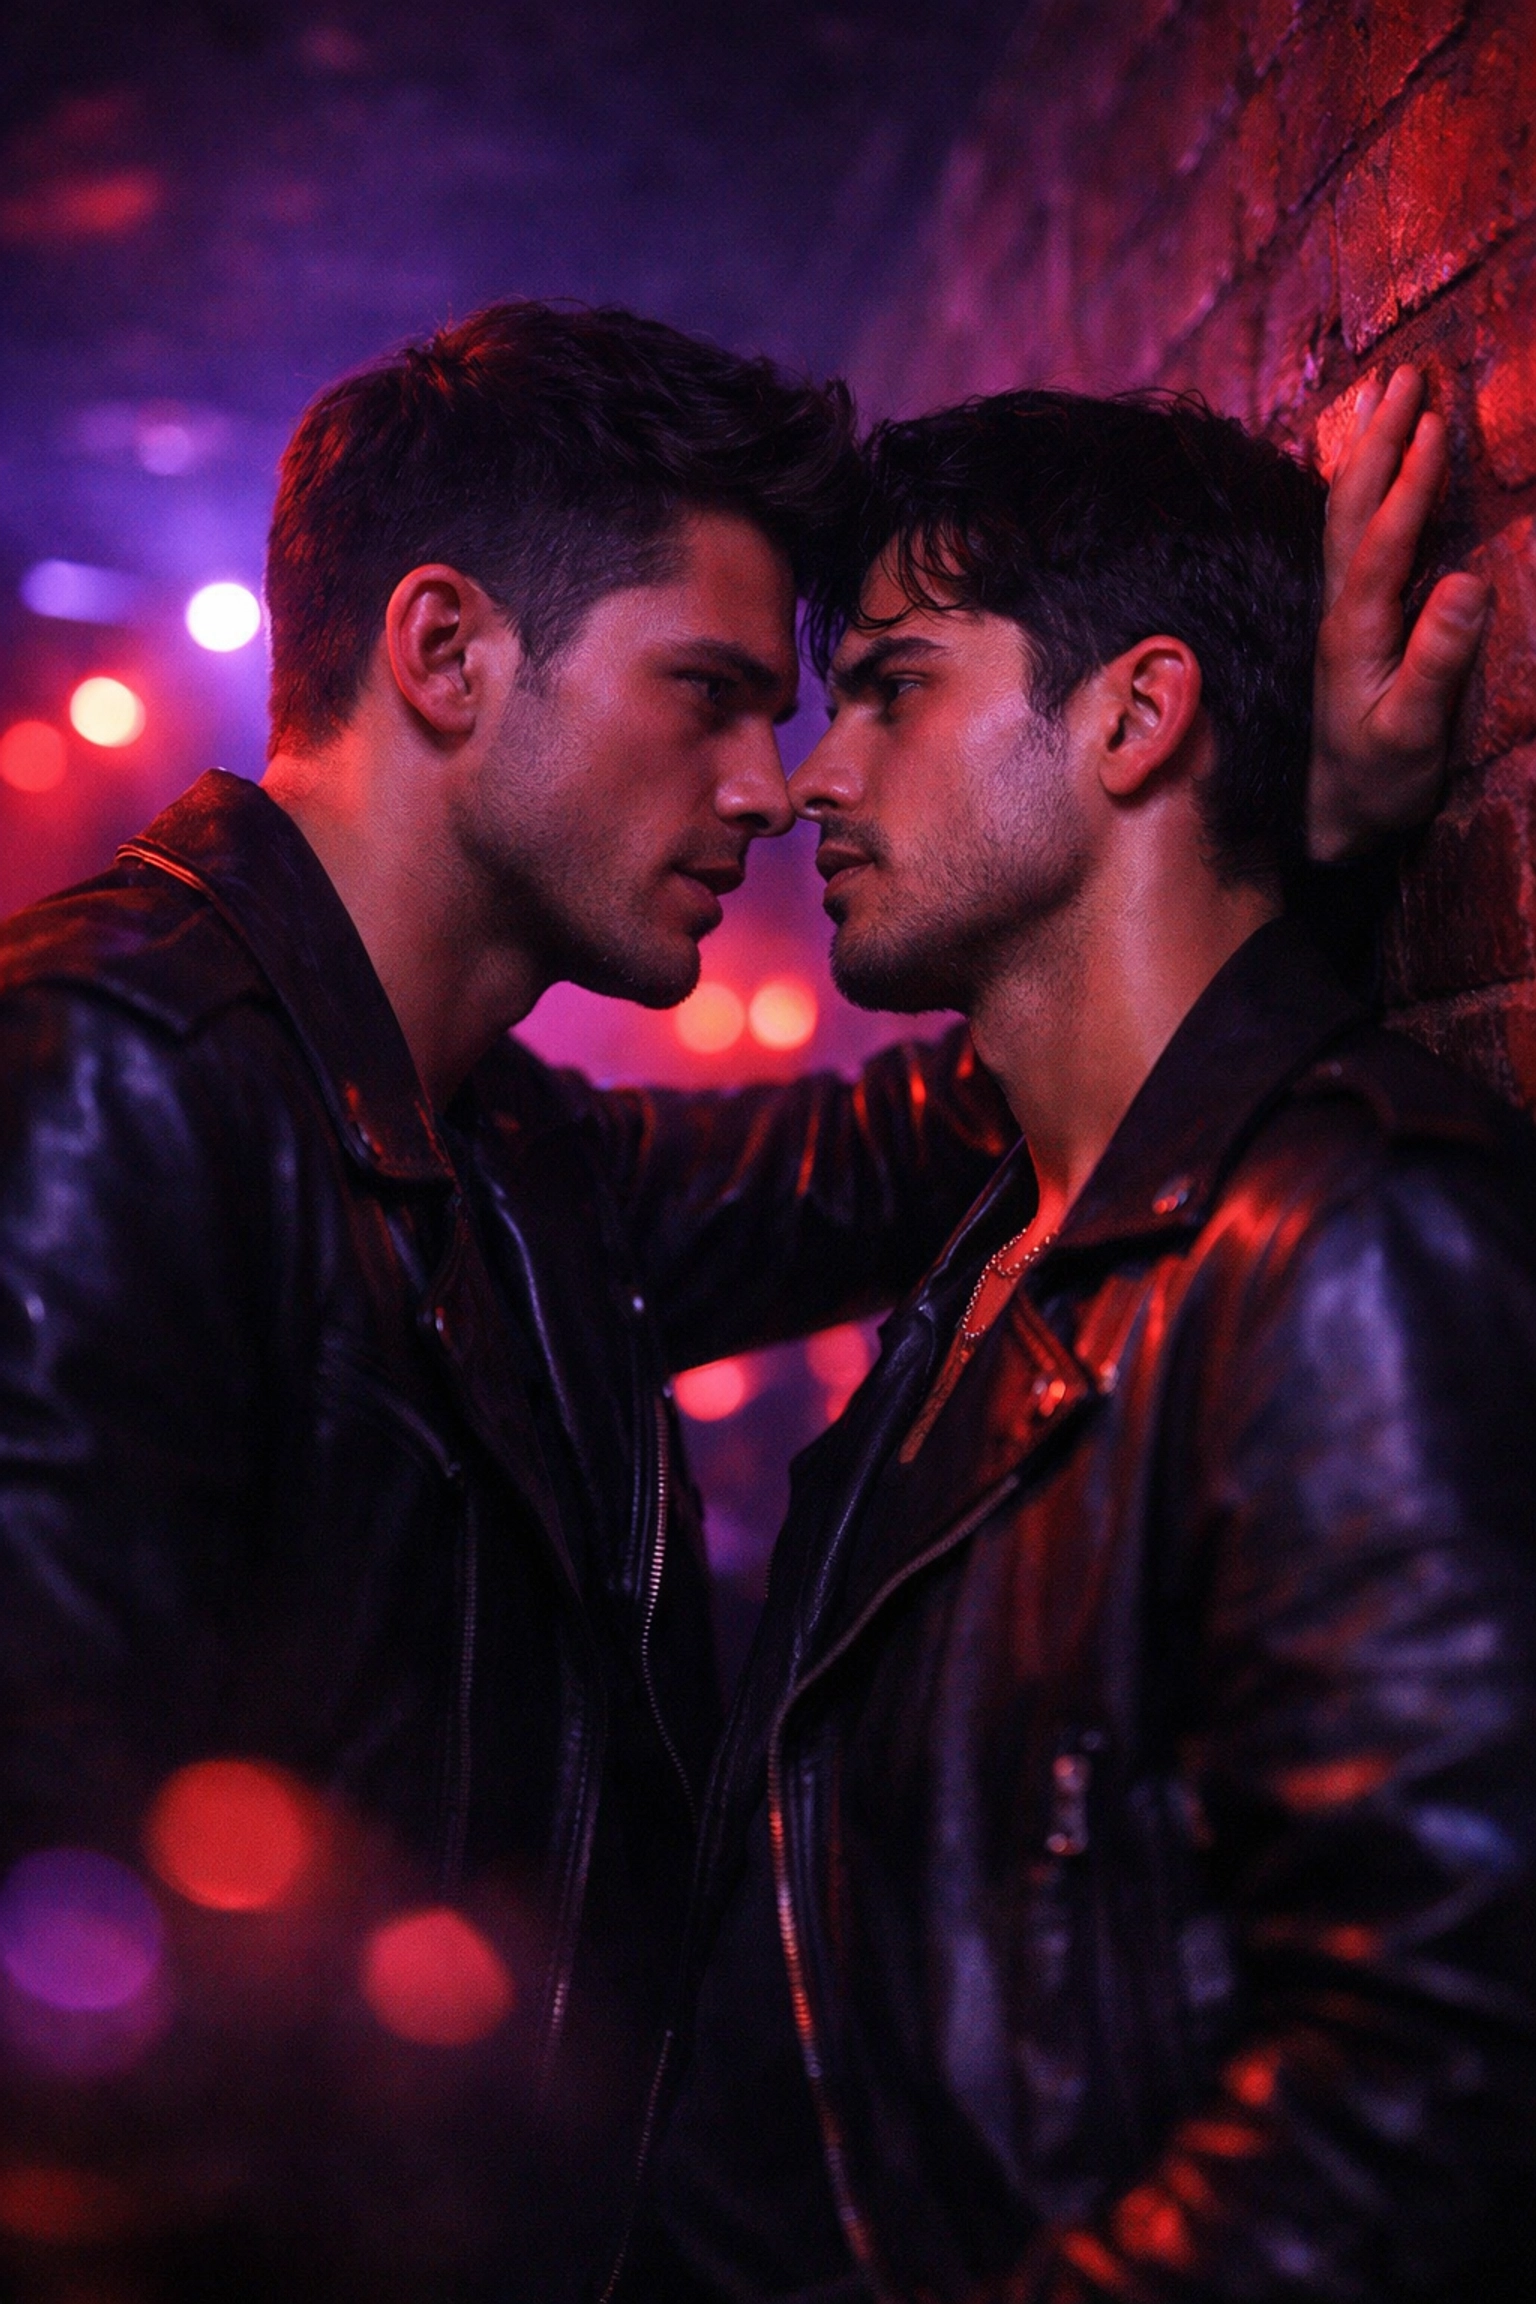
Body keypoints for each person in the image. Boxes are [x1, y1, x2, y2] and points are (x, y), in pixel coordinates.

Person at [0, 301, 1479, 2302]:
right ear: (445, 655)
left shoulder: (502, 1154)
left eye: (821, 698)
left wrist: (1240, 828)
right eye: (707, 690)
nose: (773, 784)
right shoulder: (110, 1073)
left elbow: (979, 1112)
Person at [624, 387, 1535, 2304]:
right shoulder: (994, 1242)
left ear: (1135, 717)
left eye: (892, 687)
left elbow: (1432, 2074)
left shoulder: (1355, 1242)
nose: (808, 775)